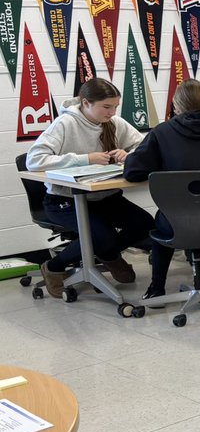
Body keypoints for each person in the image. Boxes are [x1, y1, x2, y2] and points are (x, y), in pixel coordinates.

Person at [27, 78, 153, 298]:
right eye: (106, 107)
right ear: (85, 103)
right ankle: (54, 268)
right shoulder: (65, 124)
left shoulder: (114, 122)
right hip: (63, 200)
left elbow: (143, 145)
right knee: (101, 237)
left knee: (144, 224)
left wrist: (129, 154)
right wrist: (85, 159)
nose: (112, 112)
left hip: (104, 197)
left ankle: (108, 254)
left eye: (115, 106)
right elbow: (35, 160)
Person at [123, 79, 200, 301]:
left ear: (176, 105)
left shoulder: (162, 132)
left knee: (169, 217)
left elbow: (132, 171)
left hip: (176, 221)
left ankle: (157, 288)